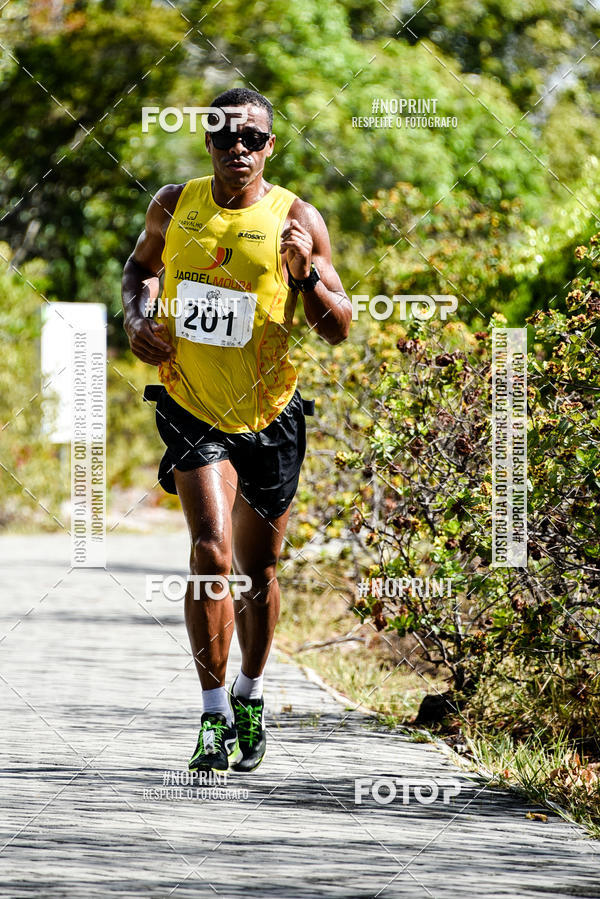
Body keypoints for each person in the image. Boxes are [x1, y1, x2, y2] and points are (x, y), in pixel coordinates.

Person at [121, 87, 351, 773]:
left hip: (271, 415)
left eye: (252, 138)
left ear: (270, 147)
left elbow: (337, 328)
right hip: (192, 406)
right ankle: (213, 713)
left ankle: (251, 691)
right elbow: (140, 266)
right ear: (208, 143)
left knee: (258, 572)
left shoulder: (296, 218)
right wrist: (138, 319)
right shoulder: (174, 203)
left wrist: (304, 274)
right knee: (210, 551)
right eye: (225, 138)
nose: (238, 150)